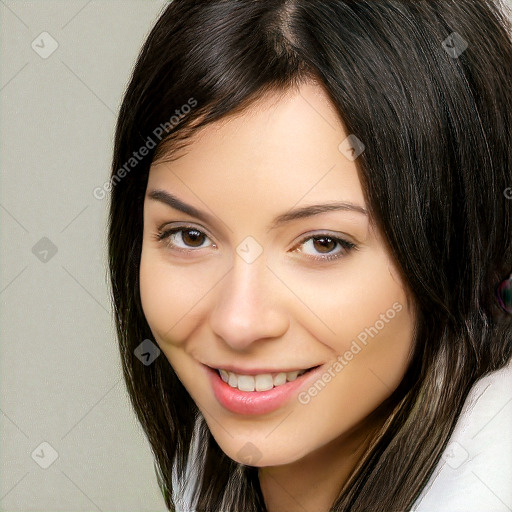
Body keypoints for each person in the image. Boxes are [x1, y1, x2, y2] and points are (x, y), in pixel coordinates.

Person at [107, 1, 512, 510]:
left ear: (466, 247)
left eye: (324, 244)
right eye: (189, 236)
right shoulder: (209, 479)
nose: (238, 323)